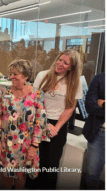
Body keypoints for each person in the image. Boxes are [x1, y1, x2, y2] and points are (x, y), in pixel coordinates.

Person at [0, 59, 50, 189]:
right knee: (5, 175)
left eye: (15, 74)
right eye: (11, 73)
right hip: (5, 142)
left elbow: (40, 122)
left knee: (21, 177)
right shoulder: (4, 92)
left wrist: (34, 146)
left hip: (26, 144)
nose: (11, 77)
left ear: (26, 76)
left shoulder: (37, 94)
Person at [29, 49, 83, 189]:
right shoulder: (43, 75)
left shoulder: (75, 82)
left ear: (72, 67)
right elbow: (34, 102)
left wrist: (57, 126)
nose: (60, 64)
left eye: (65, 63)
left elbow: (70, 107)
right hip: (39, 122)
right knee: (35, 163)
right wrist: (45, 123)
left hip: (58, 127)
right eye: (60, 60)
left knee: (51, 166)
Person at [82, 72, 105, 189]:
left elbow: (98, 105)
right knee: (92, 176)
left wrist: (103, 103)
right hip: (99, 133)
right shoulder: (100, 78)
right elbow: (90, 106)